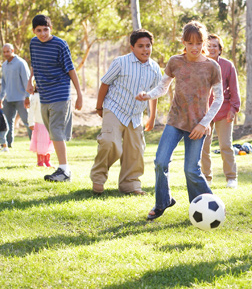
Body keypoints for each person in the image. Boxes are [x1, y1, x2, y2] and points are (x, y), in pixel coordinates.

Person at [136, 21, 223, 221]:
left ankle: (208, 206)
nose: (194, 47)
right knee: (160, 161)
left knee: (191, 169)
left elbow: (219, 98)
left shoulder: (212, 67)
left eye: (198, 42)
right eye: (190, 42)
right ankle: (162, 202)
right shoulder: (175, 61)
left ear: (204, 43)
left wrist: (204, 124)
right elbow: (162, 87)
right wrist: (147, 95)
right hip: (175, 121)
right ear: (183, 42)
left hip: (198, 126)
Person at [90, 29, 161, 195]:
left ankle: (130, 185)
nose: (145, 50)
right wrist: (99, 107)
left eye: (148, 46)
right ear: (132, 47)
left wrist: (152, 116)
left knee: (135, 152)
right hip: (115, 108)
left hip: (135, 115)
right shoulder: (120, 62)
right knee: (109, 142)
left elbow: (154, 94)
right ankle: (98, 178)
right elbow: (105, 84)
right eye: (141, 46)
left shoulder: (155, 69)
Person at [27, 14, 83, 182]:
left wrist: (79, 94)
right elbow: (34, 63)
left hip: (60, 92)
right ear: (34, 31)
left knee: (57, 132)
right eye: (39, 30)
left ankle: (64, 171)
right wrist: (30, 80)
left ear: (50, 29)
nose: (43, 33)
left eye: (46, 29)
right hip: (44, 94)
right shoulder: (34, 43)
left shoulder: (60, 44)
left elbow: (71, 69)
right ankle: (63, 169)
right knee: (52, 132)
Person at [201, 34, 241, 189]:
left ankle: (231, 177)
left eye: (215, 46)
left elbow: (234, 90)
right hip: (204, 113)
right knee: (204, 146)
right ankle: (206, 178)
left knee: (225, 145)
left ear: (220, 49)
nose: (212, 49)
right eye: (209, 45)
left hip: (224, 112)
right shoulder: (200, 64)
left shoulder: (227, 65)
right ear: (204, 48)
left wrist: (233, 109)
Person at [0, 43, 32, 149]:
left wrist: (28, 97)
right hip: (8, 99)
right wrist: (1, 98)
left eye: (8, 51)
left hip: (21, 98)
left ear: (13, 51)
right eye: (4, 52)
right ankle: (8, 144)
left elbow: (27, 81)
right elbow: (4, 83)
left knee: (28, 121)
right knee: (7, 123)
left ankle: (34, 143)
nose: (6, 54)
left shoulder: (21, 63)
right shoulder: (4, 65)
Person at [28, 90, 54, 167]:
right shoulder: (35, 96)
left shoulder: (51, 95)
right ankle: (40, 161)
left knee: (48, 142)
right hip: (40, 123)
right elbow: (31, 110)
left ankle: (47, 160)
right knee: (41, 142)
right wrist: (30, 122)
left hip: (49, 123)